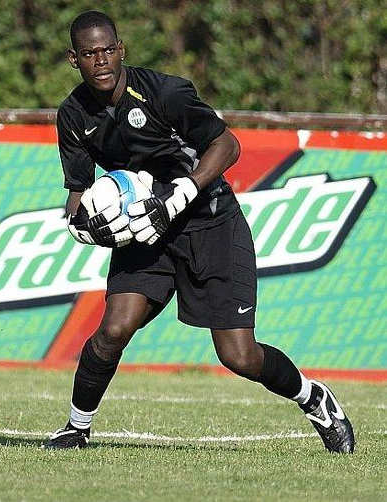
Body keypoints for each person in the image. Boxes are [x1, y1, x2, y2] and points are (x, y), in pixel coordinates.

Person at [44, 10, 354, 453]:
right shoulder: (73, 114)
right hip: (146, 232)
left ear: (121, 49)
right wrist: (80, 227)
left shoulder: (165, 92)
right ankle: (76, 427)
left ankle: (313, 397)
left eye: (108, 49)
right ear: (74, 59)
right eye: (90, 53)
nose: (101, 60)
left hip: (211, 223)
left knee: (238, 357)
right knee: (114, 328)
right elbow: (77, 193)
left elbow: (228, 144)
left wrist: (179, 194)